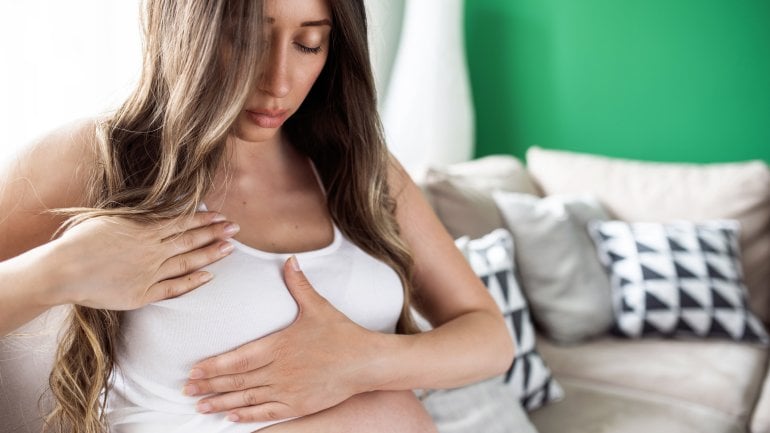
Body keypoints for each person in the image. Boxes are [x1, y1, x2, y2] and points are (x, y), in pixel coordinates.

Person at [0, 0, 515, 432]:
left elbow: (489, 339)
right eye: (245, 39)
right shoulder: (101, 156)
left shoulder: (358, 166)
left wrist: (360, 362)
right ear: (187, 27)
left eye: (309, 44)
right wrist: (61, 269)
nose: (277, 82)